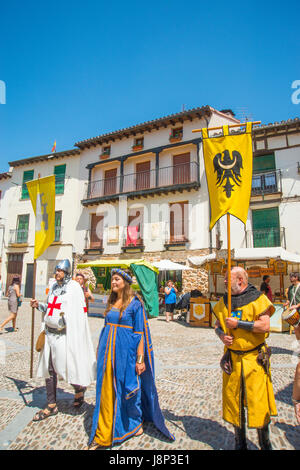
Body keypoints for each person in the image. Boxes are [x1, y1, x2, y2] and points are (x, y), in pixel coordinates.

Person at [86, 268, 175, 450]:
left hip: (126, 354)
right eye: (112, 280)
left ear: (125, 282)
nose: (113, 283)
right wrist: (98, 348)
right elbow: (105, 327)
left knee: (128, 388)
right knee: (105, 389)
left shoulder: (135, 304)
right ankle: (104, 431)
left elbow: (140, 333)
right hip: (107, 352)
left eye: (117, 279)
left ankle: (134, 425)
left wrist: (140, 359)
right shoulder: (111, 301)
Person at [213, 267, 277, 450]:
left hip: (254, 360)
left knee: (259, 403)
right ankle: (239, 444)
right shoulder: (225, 301)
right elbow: (217, 325)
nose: (224, 281)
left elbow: (265, 326)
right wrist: (221, 335)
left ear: (240, 280)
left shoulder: (258, 298)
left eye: (227, 278)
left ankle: (265, 445)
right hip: (233, 360)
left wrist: (238, 324)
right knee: (235, 403)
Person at [30, 259, 96, 421]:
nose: (56, 273)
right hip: (50, 334)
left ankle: (79, 388)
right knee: (49, 368)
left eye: (59, 270)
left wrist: (66, 322)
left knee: (65, 367)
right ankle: (51, 405)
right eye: (56, 270)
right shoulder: (53, 287)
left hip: (65, 335)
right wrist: (39, 305)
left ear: (66, 272)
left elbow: (77, 312)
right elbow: (49, 307)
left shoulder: (74, 288)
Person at [284, 273, 300, 424]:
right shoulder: (289, 289)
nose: (291, 278)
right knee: (297, 329)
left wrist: (296, 306)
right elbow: (290, 299)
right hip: (295, 313)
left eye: (293, 276)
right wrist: (288, 304)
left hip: (299, 310)